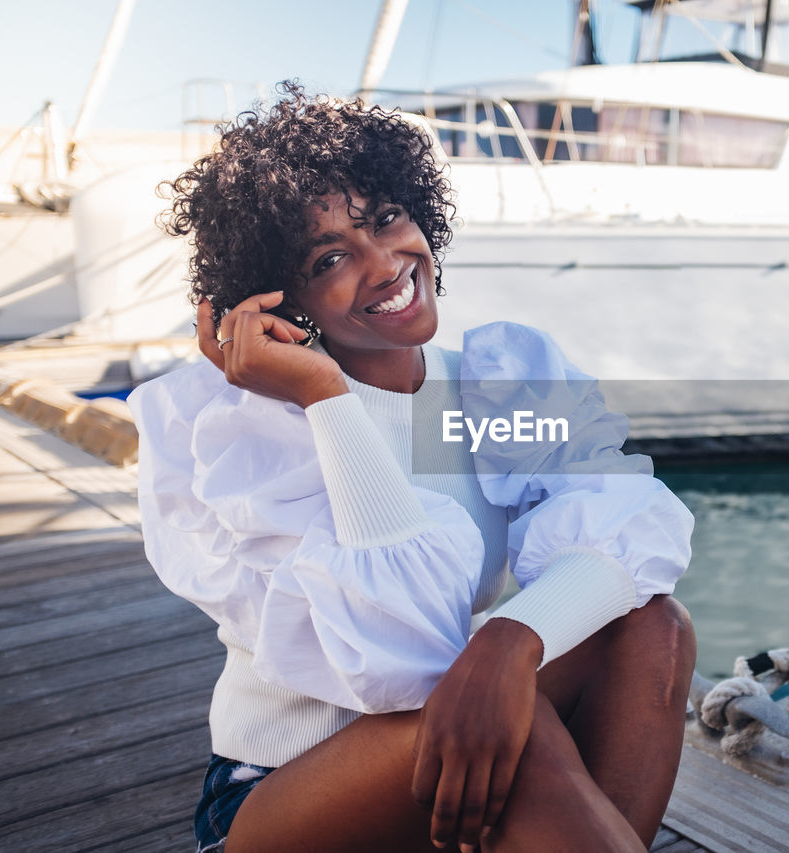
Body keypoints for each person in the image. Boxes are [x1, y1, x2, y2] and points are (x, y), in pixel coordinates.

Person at [129, 82, 697, 853]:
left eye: (386, 220)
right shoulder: (252, 425)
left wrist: (513, 639)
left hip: (445, 759)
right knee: (517, 732)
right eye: (331, 256)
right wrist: (326, 395)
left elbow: (631, 522)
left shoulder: (496, 381)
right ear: (282, 296)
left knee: (653, 627)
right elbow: (400, 657)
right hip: (285, 795)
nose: (385, 263)